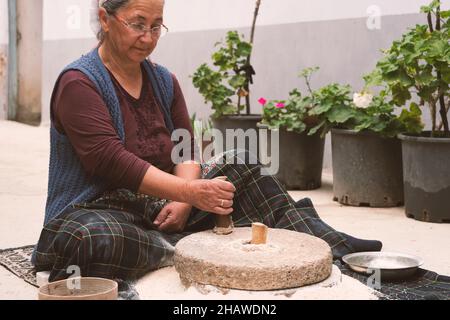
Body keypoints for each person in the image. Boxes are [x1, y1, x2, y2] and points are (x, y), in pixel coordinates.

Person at [32, 0, 382, 282]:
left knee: (240, 162)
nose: (148, 37)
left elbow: (185, 150)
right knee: (94, 239)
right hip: (95, 210)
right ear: (105, 19)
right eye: (138, 24)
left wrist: (185, 202)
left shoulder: (163, 81)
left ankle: (327, 242)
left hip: (160, 208)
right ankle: (183, 248)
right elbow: (107, 159)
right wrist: (186, 192)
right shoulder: (80, 82)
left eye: (157, 26)